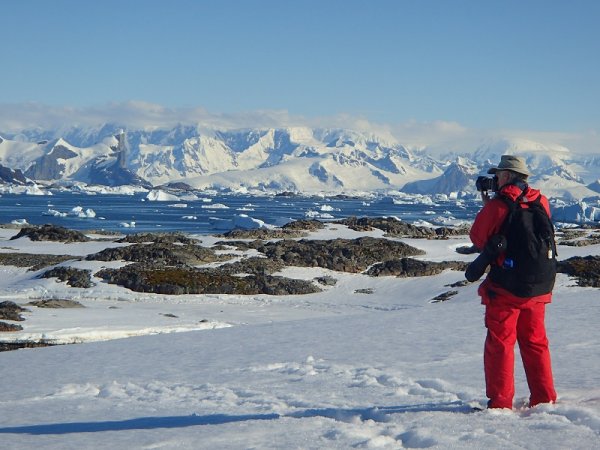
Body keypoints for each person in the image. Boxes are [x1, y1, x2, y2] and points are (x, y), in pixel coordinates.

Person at [470, 155, 557, 409]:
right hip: (539, 286)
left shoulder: (501, 204)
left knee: (501, 343)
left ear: (507, 176)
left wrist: (488, 206)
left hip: (507, 288)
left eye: (498, 176)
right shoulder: (541, 200)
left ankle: (501, 402)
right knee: (535, 341)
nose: (495, 180)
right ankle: (544, 398)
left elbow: (478, 238)